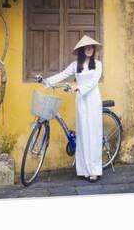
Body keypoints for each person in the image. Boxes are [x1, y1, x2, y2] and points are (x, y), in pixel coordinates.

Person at [38, 35, 103, 182]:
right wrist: (46, 81)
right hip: (81, 101)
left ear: (94, 49)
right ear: (81, 50)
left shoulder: (98, 64)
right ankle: (85, 170)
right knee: (84, 134)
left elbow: (93, 82)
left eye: (91, 47)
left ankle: (95, 170)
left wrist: (78, 88)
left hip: (93, 100)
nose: (89, 50)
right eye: (86, 47)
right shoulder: (75, 65)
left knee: (94, 134)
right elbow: (63, 74)